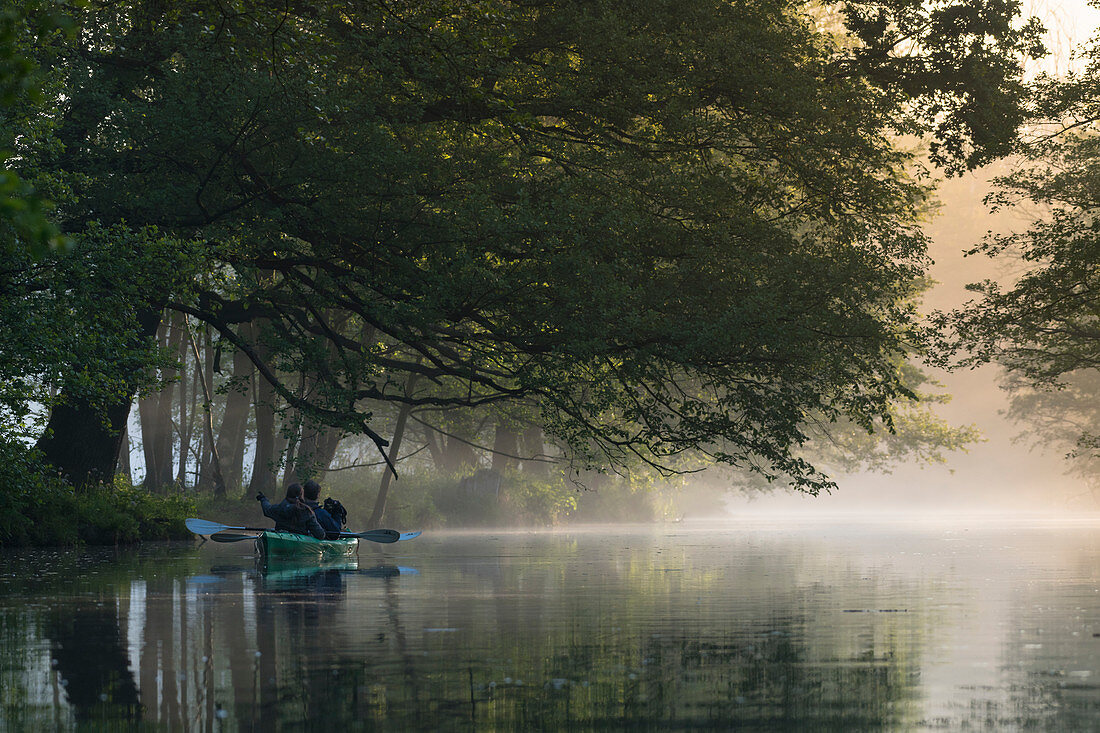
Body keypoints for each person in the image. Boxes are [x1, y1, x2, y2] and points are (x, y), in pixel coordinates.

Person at [256, 483, 325, 539]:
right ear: (301, 495)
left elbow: (267, 509)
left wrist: (263, 499)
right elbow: (320, 534)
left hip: (280, 538)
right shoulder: (307, 511)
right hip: (300, 542)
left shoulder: (278, 508)